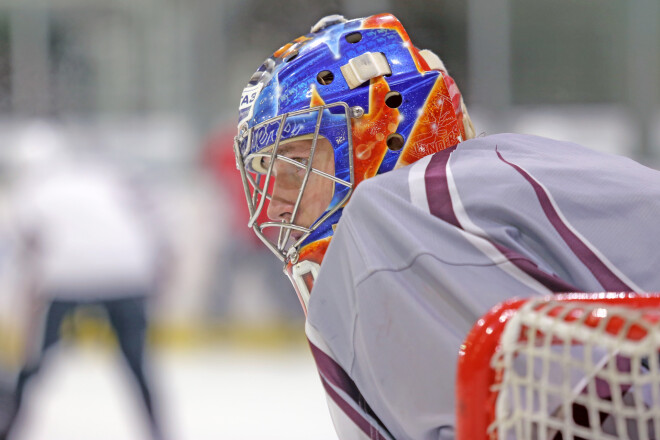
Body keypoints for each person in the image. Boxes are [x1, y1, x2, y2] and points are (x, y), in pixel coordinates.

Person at [233, 13, 660, 440]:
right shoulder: (481, 184)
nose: (277, 205)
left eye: (295, 165)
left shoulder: (397, 212)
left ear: (378, 134)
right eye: (268, 171)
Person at [0, 123, 170, 440]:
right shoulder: (98, 177)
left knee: (34, 364)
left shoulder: (30, 189)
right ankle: (159, 432)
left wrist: (28, 314)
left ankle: (8, 428)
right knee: (136, 364)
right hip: (128, 273)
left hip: (66, 276)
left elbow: (31, 250)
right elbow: (150, 220)